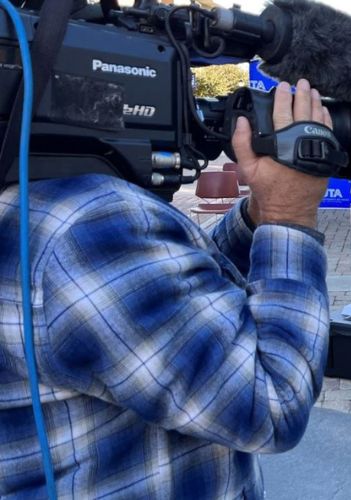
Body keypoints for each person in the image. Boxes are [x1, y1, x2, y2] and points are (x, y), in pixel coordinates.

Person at [0, 79, 333, 497]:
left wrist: (258, 215)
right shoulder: (85, 223)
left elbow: (170, 301)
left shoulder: (41, 205)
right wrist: (289, 214)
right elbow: (272, 403)